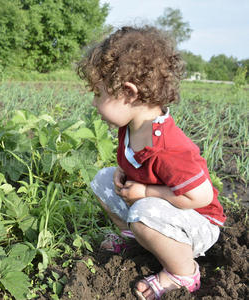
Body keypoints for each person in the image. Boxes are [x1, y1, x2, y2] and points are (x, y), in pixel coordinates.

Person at [76, 26, 226, 300]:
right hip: (164, 212)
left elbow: (201, 196)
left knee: (143, 211)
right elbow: (138, 166)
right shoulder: (131, 125)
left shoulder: (168, 146)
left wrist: (146, 192)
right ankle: (138, 242)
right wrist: (125, 171)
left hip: (199, 223)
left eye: (98, 93)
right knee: (103, 179)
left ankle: (183, 272)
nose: (94, 103)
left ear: (129, 93)